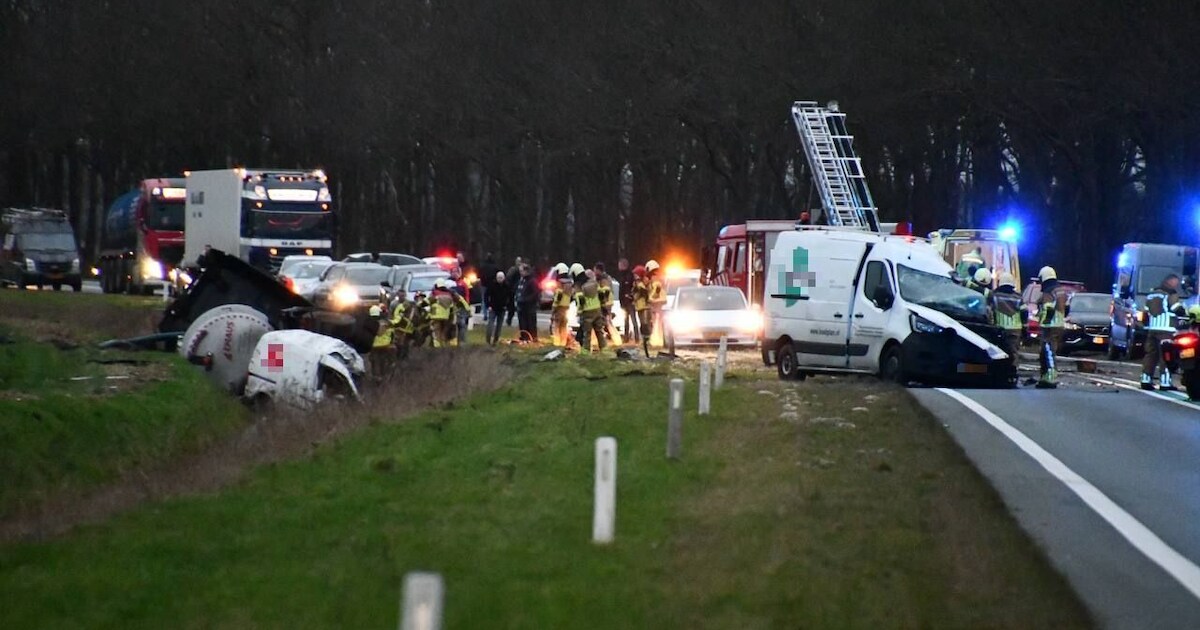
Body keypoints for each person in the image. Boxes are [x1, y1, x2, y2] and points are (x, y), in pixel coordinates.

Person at [1141, 273, 1186, 391]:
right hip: (1167, 330)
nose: (1177, 284)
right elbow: (1177, 309)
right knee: (1166, 356)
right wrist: (1185, 313)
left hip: (1152, 329)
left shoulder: (1151, 294)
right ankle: (1165, 383)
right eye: (1176, 282)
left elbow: (1145, 312)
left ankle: (1145, 380)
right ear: (1170, 282)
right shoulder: (1170, 294)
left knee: (1150, 355)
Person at [1036, 266, 1068, 389]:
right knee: (1049, 351)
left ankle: (1050, 377)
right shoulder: (1060, 290)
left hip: (1049, 326)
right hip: (1059, 324)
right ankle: (1046, 376)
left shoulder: (1049, 291)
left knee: (1048, 351)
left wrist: (1044, 322)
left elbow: (1048, 308)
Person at [989, 273, 1025, 371]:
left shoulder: (995, 295)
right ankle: (1013, 371)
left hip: (1000, 328)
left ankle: (1000, 371)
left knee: (999, 352)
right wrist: (1025, 328)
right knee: (1013, 352)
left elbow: (989, 310)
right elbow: (1024, 312)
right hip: (1015, 329)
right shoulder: (1018, 297)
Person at [575, 270, 607, 354]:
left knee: (587, 333)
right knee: (599, 331)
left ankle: (585, 351)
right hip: (597, 310)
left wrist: (579, 312)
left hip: (587, 312)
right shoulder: (596, 284)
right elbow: (601, 295)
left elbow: (581, 300)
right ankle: (604, 349)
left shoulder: (582, 286)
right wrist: (603, 305)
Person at [515, 263, 540, 342]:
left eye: (521, 271)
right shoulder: (521, 280)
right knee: (522, 323)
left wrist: (526, 299)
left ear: (526, 271)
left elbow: (535, 293)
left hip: (529, 307)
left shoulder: (532, 281)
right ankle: (524, 336)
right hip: (521, 306)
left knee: (530, 322)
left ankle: (532, 338)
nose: (520, 273)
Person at [429, 280, 458, 348]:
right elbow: (454, 305)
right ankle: (450, 347)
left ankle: (437, 348)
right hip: (447, 317)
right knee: (448, 332)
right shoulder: (450, 294)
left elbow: (427, 302)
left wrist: (419, 305)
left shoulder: (434, 293)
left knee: (436, 333)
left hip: (436, 317)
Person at [485, 271, 511, 346]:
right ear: (496, 278)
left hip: (502, 308)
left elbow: (510, 297)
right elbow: (486, 295)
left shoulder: (507, 286)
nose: (500, 279)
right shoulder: (492, 285)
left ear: (504, 278)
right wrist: (488, 305)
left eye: (501, 278)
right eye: (498, 278)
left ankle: (495, 341)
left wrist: (507, 306)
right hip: (493, 308)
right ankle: (488, 340)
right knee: (490, 324)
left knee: (499, 326)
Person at [369, 304, 395, 377]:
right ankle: (383, 375)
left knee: (374, 362)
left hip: (373, 346)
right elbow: (392, 333)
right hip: (385, 345)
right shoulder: (387, 322)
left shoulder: (368, 323)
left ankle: (376, 377)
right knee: (383, 361)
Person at [615, 258, 638, 342]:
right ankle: (626, 337)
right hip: (624, 302)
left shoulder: (629, 275)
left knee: (633, 320)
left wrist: (629, 296)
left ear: (623, 265)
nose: (618, 266)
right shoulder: (622, 275)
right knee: (626, 320)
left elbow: (628, 288)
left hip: (629, 302)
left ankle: (636, 337)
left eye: (620, 265)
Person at [647, 260, 667, 344]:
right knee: (659, 321)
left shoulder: (655, 279)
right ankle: (662, 340)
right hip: (661, 301)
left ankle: (656, 340)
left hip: (655, 301)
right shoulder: (661, 277)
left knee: (656, 321)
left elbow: (656, 290)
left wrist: (651, 298)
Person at [632, 264, 651, 356]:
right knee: (642, 323)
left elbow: (645, 294)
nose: (634, 275)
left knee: (644, 323)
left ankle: (647, 340)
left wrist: (637, 292)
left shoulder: (642, 284)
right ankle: (644, 339)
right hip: (639, 306)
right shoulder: (637, 283)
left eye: (636, 274)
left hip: (643, 306)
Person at [550, 275, 574, 346]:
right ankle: (563, 342)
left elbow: (556, 302)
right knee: (563, 327)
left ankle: (557, 342)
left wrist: (553, 311)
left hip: (559, 309)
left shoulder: (559, 291)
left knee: (556, 327)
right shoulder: (569, 292)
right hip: (566, 309)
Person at [450, 267, 470, 345]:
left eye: (456, 272)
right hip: (451, 307)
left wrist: (466, 305)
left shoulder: (463, 283)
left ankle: (462, 342)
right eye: (453, 272)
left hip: (461, 307)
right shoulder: (448, 282)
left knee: (462, 324)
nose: (455, 274)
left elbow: (467, 295)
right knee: (452, 325)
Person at [505, 256, 523, 326]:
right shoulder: (513, 270)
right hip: (513, 291)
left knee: (517, 307)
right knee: (512, 307)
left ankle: (514, 321)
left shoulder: (520, 270)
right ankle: (509, 320)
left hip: (518, 291)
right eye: (518, 261)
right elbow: (508, 279)